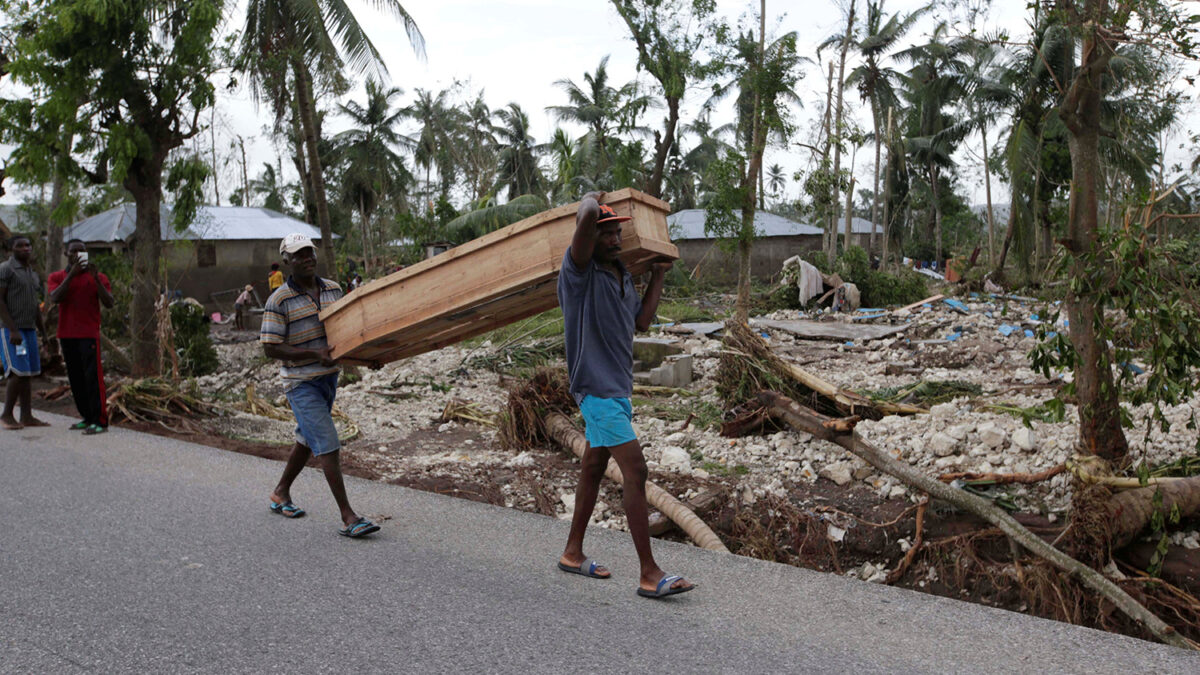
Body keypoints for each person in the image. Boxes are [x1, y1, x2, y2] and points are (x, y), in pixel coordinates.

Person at [556, 192, 695, 599]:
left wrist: (658, 274)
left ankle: (571, 551)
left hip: (618, 390)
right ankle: (649, 573)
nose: (616, 240)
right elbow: (583, 217)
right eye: (608, 234)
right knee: (636, 472)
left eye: (619, 233)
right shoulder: (578, 272)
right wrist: (591, 200)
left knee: (593, 468)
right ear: (591, 239)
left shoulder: (619, 275)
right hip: (594, 391)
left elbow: (643, 322)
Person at [260, 233, 380, 538]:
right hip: (301, 383)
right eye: (298, 255)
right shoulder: (279, 300)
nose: (306, 259)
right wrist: (314, 354)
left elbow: (345, 333)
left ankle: (280, 492)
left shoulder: (334, 290)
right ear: (287, 260)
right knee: (327, 442)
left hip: (328, 378)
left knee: (306, 439)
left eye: (309, 253)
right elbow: (271, 347)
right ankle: (348, 516)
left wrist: (369, 358)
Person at [47, 239, 114, 435]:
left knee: (92, 377)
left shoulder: (98, 276)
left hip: (88, 334)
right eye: (73, 251)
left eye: (82, 251)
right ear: (66, 254)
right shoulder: (57, 276)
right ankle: (86, 417)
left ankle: (100, 421)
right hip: (67, 334)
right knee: (76, 379)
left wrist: (96, 280)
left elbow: (109, 302)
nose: (77, 254)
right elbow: (54, 298)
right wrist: (71, 276)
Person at [0, 235, 50, 430]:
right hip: (12, 330)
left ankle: (27, 415)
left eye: (28, 245)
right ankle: (6, 415)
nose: (25, 248)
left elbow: (36, 306)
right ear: (11, 249)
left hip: (29, 330)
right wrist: (12, 329)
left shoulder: (32, 272)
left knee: (27, 373)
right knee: (17, 372)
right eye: (19, 246)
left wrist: (44, 333)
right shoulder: (6, 269)